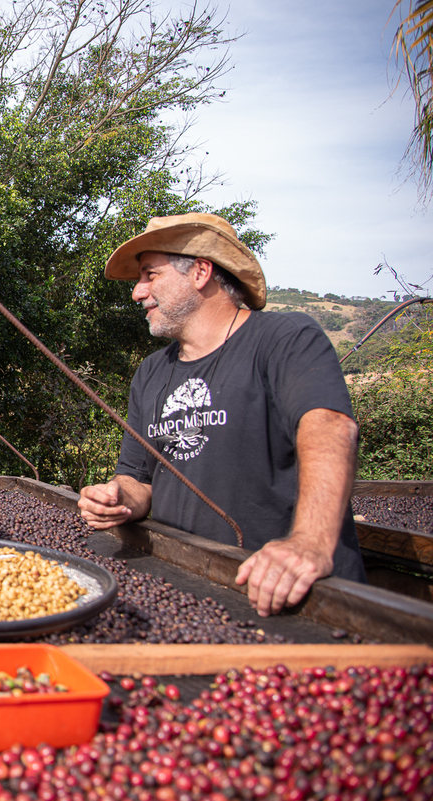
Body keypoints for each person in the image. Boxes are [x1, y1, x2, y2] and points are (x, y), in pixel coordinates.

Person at [76, 213, 365, 618]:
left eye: (149, 275)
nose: (137, 293)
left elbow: (330, 428)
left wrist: (309, 543)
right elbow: (138, 479)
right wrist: (116, 498)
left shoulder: (285, 339)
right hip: (196, 590)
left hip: (297, 595)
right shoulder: (152, 373)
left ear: (200, 271)